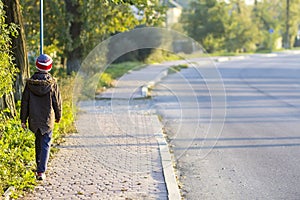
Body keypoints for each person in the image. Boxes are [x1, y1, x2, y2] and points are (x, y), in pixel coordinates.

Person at [20, 54, 62, 181]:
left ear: (37, 66)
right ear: (50, 67)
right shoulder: (52, 83)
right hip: (47, 119)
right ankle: (41, 171)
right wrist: (58, 115)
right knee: (45, 143)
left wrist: (23, 119)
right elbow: (57, 102)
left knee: (38, 142)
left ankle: (39, 165)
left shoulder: (30, 83)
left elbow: (25, 102)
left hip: (33, 118)